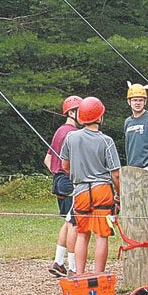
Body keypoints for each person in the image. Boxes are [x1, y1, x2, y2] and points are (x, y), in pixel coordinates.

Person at [60, 96, 121, 275]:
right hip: (102, 190)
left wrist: (77, 172)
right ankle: (99, 275)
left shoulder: (71, 137)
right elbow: (115, 173)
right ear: (100, 117)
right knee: (101, 235)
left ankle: (79, 274)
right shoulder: (106, 141)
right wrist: (119, 195)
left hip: (80, 191)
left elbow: (64, 165)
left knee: (82, 233)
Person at [44, 95, 81, 277]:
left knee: (68, 222)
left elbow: (47, 160)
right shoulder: (72, 133)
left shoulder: (60, 131)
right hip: (69, 182)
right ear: (72, 112)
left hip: (59, 181)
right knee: (75, 224)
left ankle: (59, 262)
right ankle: (73, 267)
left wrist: (58, 173)